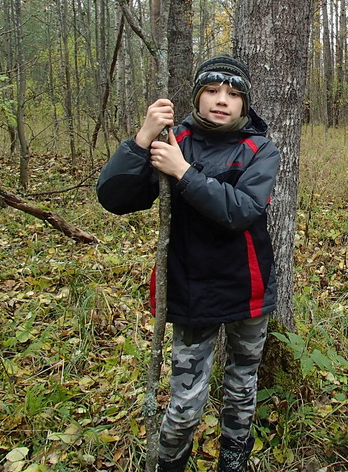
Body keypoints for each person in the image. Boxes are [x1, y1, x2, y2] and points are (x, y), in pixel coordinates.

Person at [96, 55, 280, 472]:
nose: (222, 101)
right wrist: (142, 140)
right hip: (190, 287)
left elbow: (242, 210)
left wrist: (183, 172)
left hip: (247, 288)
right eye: (212, 91)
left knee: (241, 383)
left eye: (233, 94)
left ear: (245, 104)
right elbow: (115, 199)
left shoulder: (260, 149)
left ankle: (234, 457)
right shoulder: (172, 138)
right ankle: (170, 462)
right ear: (197, 95)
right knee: (185, 400)